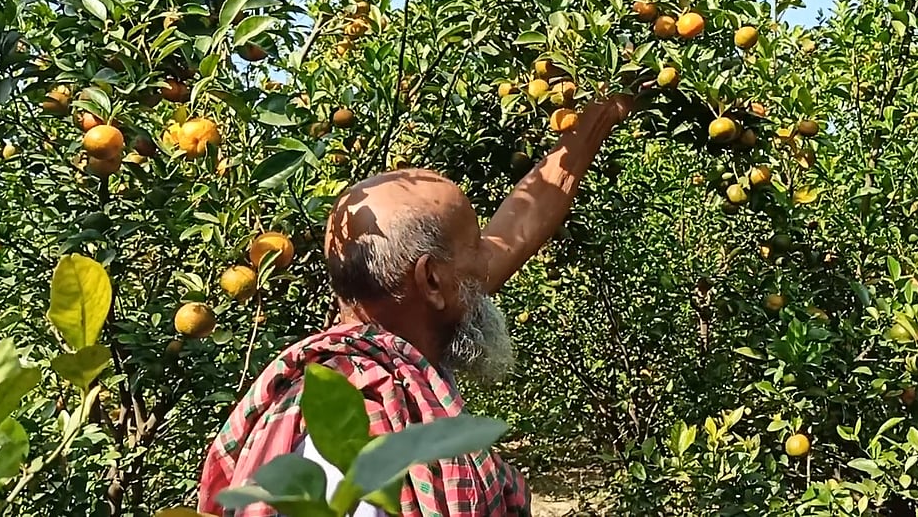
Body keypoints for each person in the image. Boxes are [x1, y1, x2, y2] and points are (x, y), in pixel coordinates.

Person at [197, 94, 633, 517]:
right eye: (476, 246)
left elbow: (518, 228)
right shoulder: (354, 440)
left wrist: (600, 114)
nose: (489, 258)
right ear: (431, 280)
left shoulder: (391, 351)